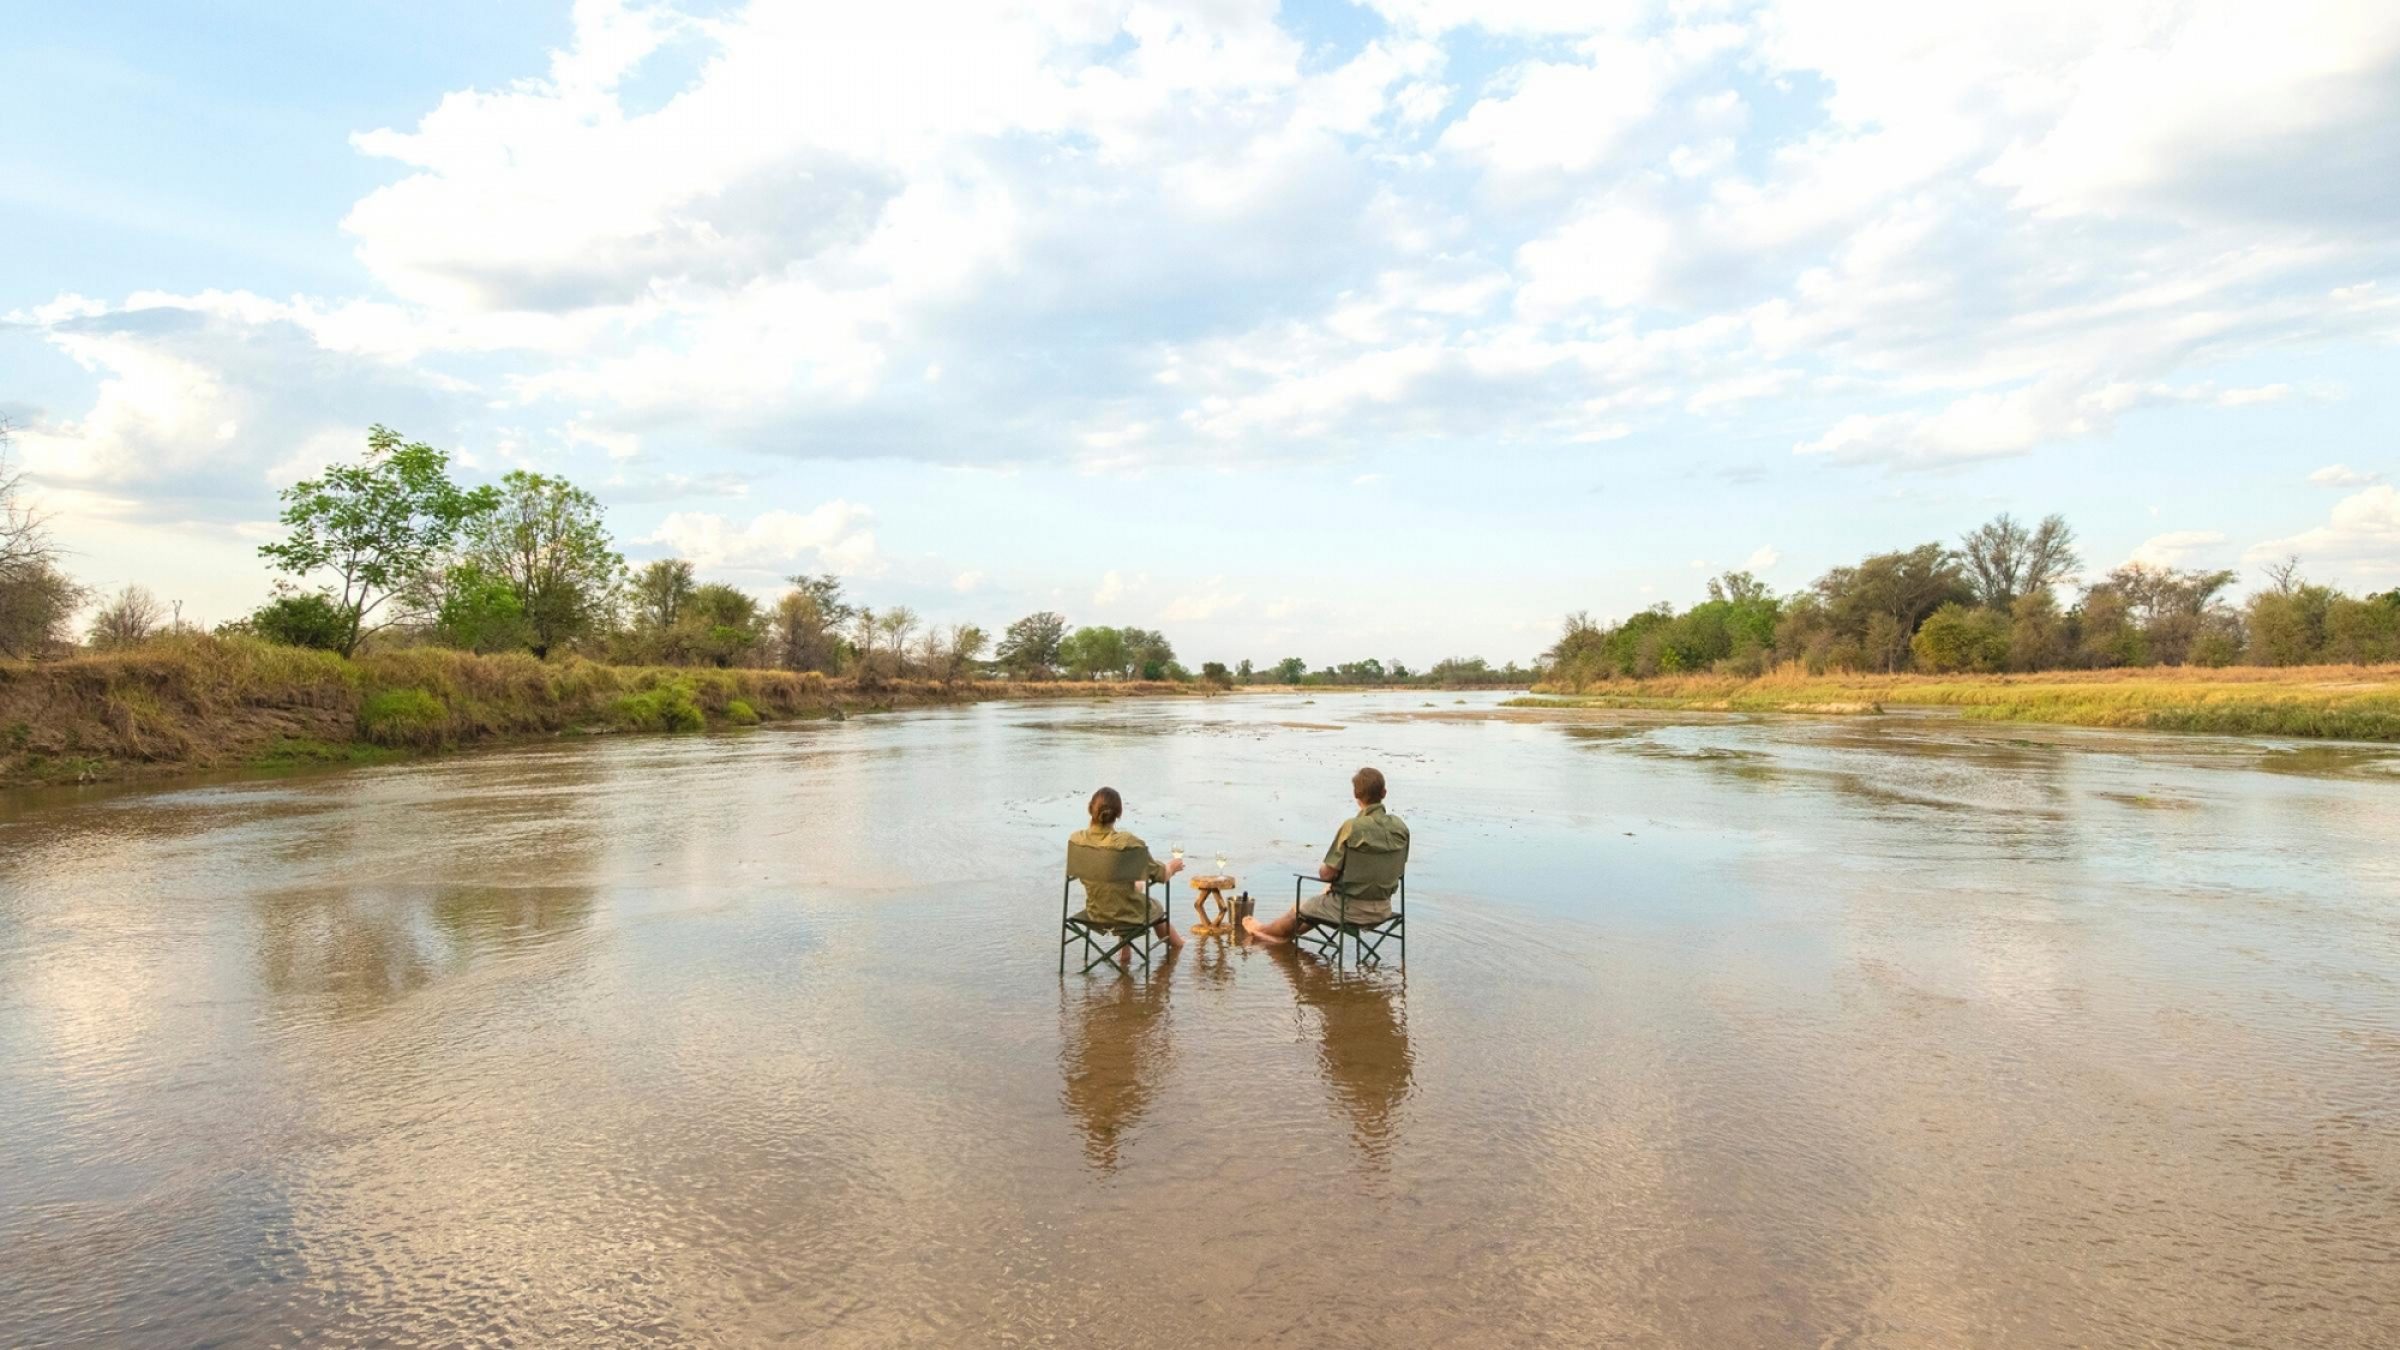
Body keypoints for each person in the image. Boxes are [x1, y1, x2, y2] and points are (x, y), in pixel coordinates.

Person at [1244, 766, 1408, 946]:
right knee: (1321, 901)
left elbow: (1327, 874)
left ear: (1356, 795)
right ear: (1384, 793)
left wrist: (1330, 877)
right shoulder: (1401, 828)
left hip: (1349, 911)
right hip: (1384, 909)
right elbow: (1397, 868)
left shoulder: (1353, 827)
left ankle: (1261, 932)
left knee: (1299, 909)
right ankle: (1282, 939)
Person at [1068, 786, 1185, 953]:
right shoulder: (1127, 843)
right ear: (1119, 813)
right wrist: (1172, 867)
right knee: (1156, 908)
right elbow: (1161, 876)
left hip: (1095, 913)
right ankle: (1179, 948)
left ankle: (1124, 958)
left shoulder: (1077, 839)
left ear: (1089, 809)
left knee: (1124, 890)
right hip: (1128, 915)